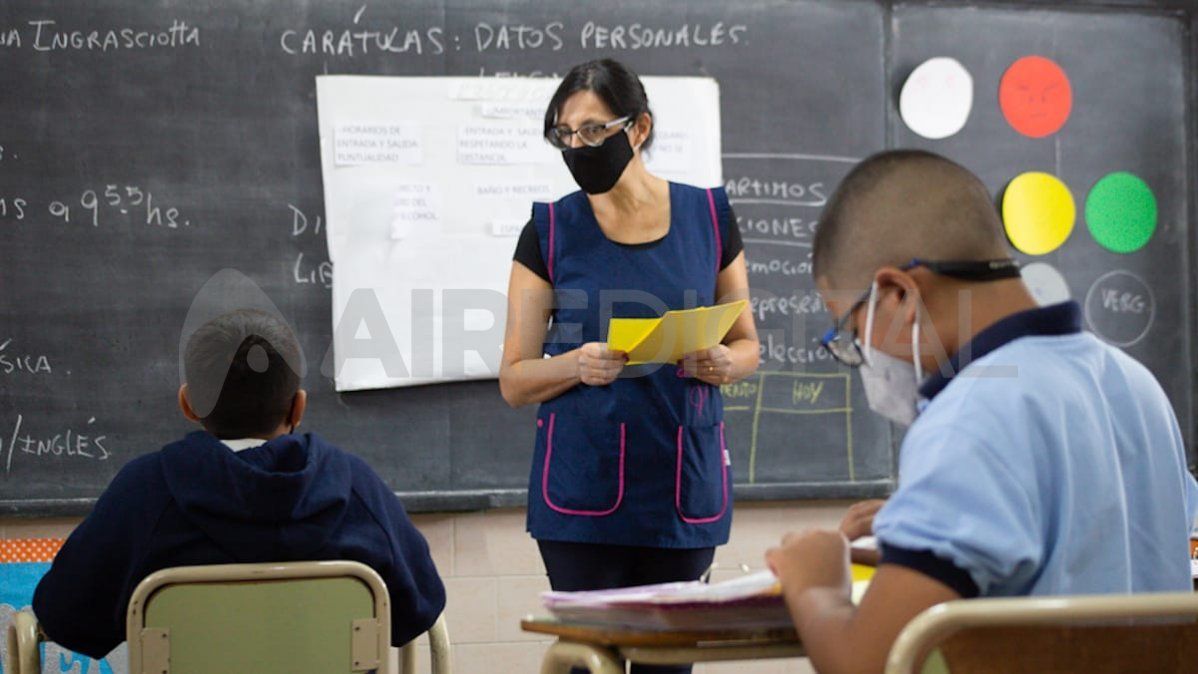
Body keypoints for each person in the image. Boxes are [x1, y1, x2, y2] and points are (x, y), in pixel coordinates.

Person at [765, 150, 1198, 674]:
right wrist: (921, 543)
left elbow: (870, 665)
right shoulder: (1133, 381)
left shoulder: (968, 415)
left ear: (897, 294)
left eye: (852, 334)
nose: (862, 358)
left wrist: (816, 583)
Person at [499, 58, 759, 674]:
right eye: (564, 135)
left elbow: (749, 345)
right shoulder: (549, 230)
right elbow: (514, 379)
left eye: (592, 131)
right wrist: (573, 364)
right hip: (581, 496)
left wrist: (724, 361)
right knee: (588, 664)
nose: (577, 147)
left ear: (638, 128)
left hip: (679, 488)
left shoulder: (710, 217)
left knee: (667, 667)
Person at [32, 309, 446, 660]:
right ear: (298, 406)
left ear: (188, 403)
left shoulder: (145, 491)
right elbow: (418, 611)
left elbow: (66, 619)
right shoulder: (356, 486)